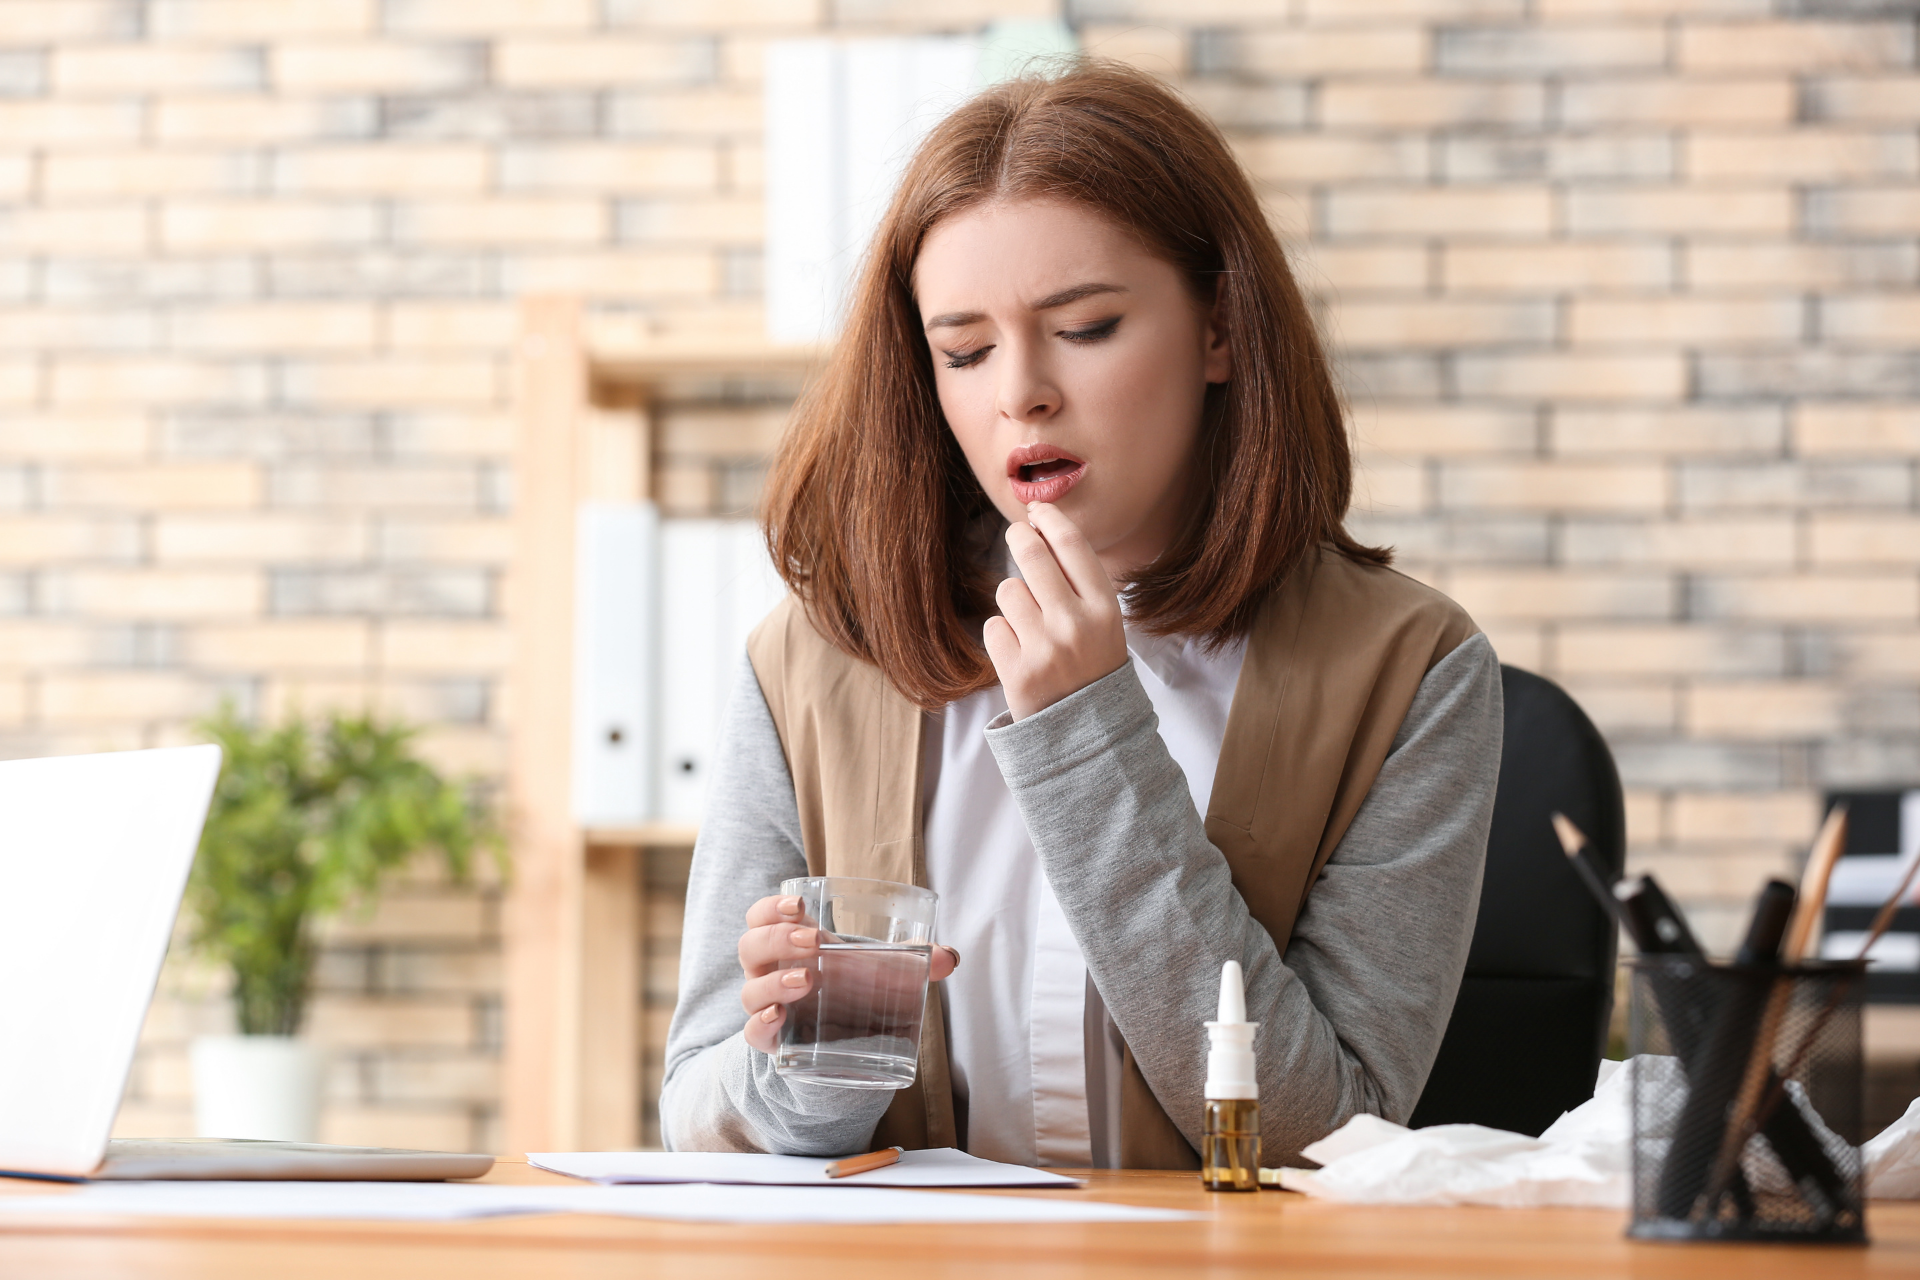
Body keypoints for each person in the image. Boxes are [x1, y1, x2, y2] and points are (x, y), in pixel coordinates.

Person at [659, 61, 1502, 1169]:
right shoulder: (816, 657)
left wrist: (1087, 733)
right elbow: (697, 1110)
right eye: (963, 350)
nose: (1020, 391)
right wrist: (812, 1052)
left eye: (1088, 326)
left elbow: (1321, 1136)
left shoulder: (1409, 669)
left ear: (1220, 332)